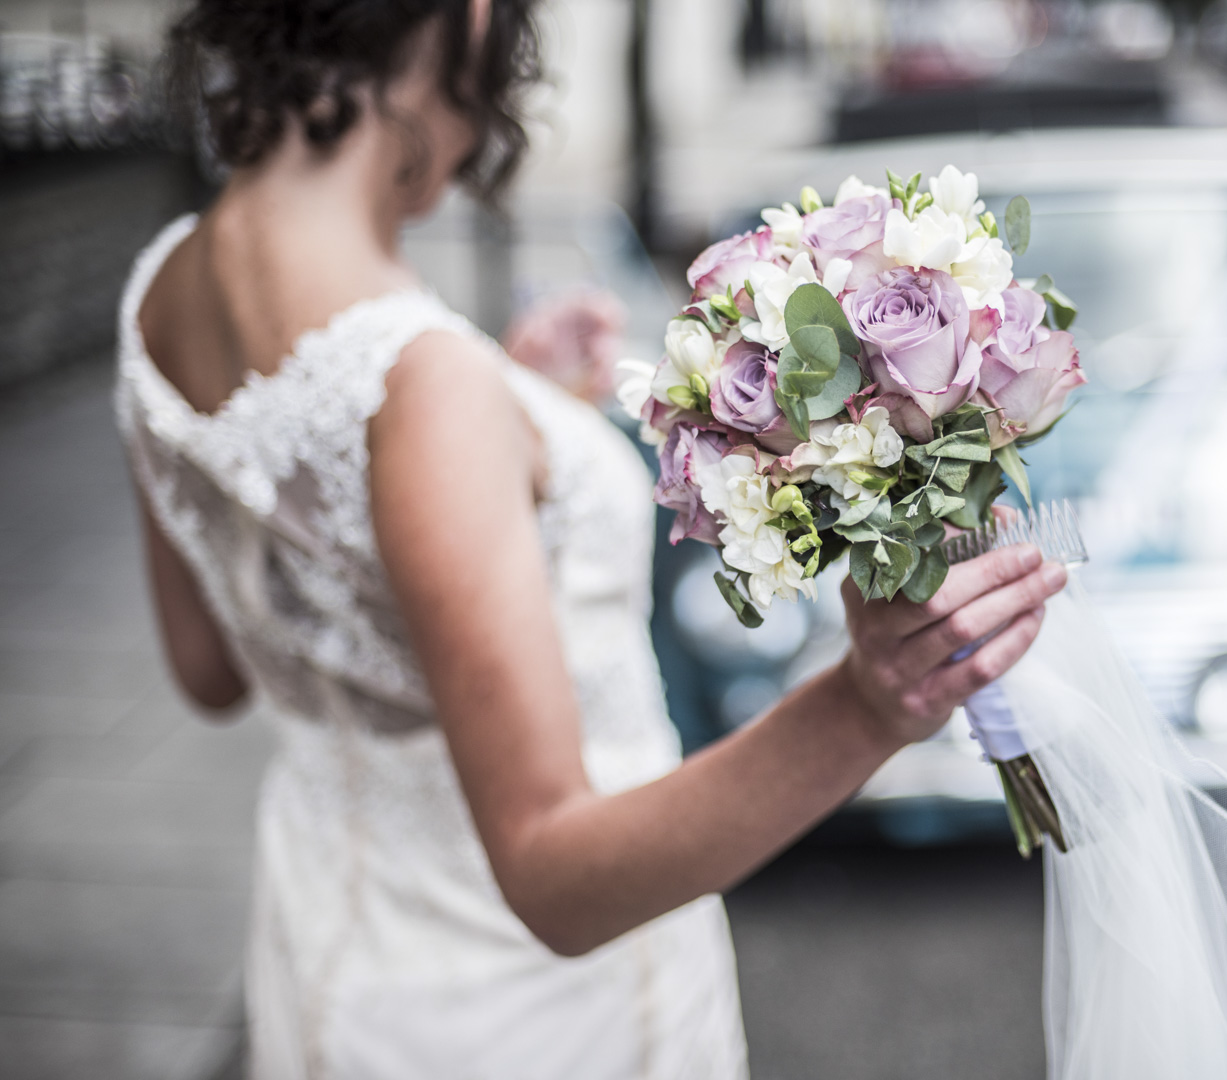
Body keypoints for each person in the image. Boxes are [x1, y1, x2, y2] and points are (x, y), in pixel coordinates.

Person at [116, 2, 1066, 1076]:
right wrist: (865, 706)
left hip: (325, 956)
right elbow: (553, 877)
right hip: (527, 1015)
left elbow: (211, 670)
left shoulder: (161, 286)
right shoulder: (426, 385)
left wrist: (506, 422)